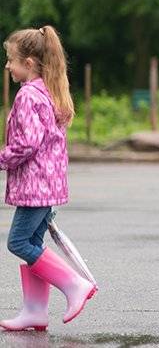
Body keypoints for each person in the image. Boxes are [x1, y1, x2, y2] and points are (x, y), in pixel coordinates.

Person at [0, 26, 96, 331]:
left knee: (18, 242)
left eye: (10, 60)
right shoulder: (49, 91)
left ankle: (74, 285)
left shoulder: (29, 95)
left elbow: (27, 143)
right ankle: (35, 311)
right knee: (32, 242)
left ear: (29, 63)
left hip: (35, 187)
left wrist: (1, 159)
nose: (7, 66)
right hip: (49, 185)